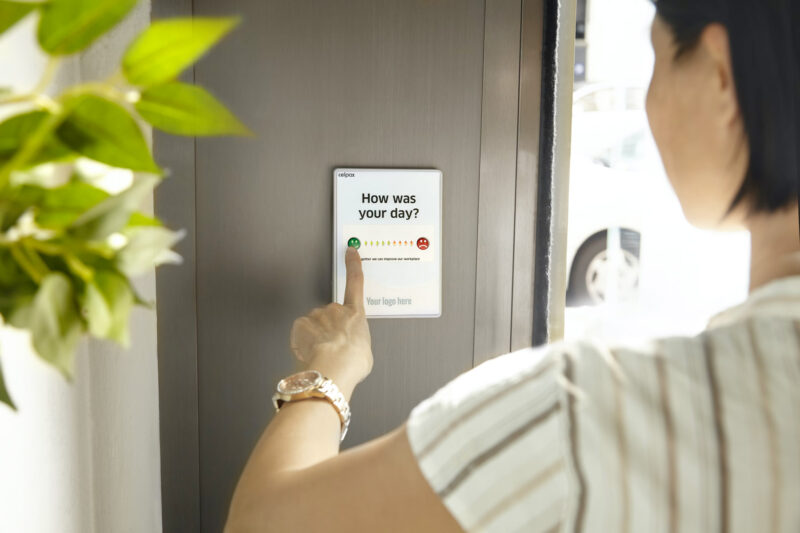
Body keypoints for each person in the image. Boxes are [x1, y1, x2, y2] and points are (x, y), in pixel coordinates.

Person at [225, 1, 800, 531]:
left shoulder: (587, 412)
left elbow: (262, 522)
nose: (650, 103)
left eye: (657, 59)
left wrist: (334, 368)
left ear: (720, 76)